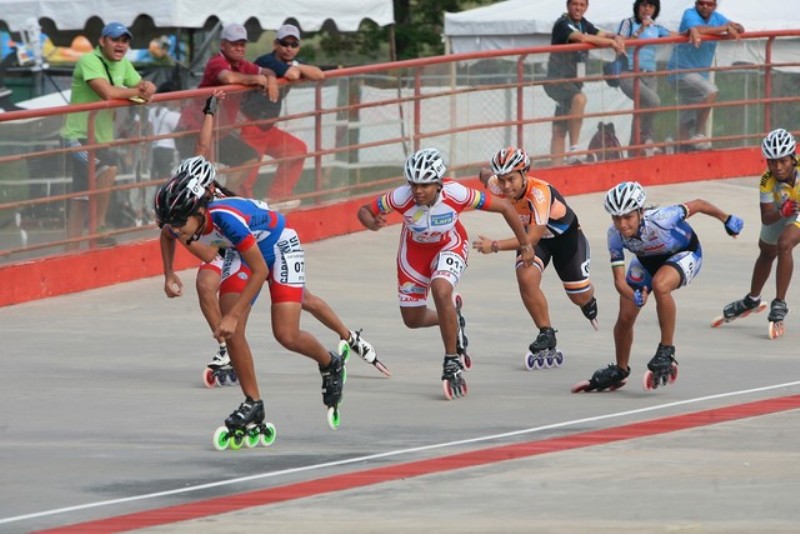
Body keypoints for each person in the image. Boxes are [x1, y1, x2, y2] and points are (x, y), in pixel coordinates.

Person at [156, 93, 349, 439]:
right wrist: (169, 273)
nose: (175, 230)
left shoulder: (224, 217)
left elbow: (259, 270)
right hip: (240, 251)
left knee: (285, 334)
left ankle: (330, 363)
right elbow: (168, 234)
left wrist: (230, 314)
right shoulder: (184, 215)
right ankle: (253, 403)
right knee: (235, 333)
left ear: (199, 210)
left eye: (179, 223)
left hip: (276, 245)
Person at [357, 148, 534, 399]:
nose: (417, 190)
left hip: (449, 245)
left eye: (425, 185)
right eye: (413, 184)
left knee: (441, 290)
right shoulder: (400, 197)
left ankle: (451, 361)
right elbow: (364, 209)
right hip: (414, 255)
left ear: (439, 184)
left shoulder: (457, 193)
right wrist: (370, 222)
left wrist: (525, 245)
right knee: (412, 319)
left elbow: (505, 207)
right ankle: (453, 318)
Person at [573, 181, 744, 392]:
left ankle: (666, 349)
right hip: (647, 261)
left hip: (684, 253)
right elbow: (619, 282)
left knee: (660, 285)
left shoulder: (663, 217)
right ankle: (620, 368)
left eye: (628, 217)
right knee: (625, 316)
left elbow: (698, 204)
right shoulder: (614, 235)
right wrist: (633, 295)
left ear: (640, 212)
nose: (623, 224)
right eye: (616, 218)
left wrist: (726, 219)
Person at [472, 147, 597, 367]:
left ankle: (589, 298)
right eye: (501, 180)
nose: (506, 186)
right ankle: (546, 332)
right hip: (535, 241)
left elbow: (530, 240)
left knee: (579, 297)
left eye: (511, 179)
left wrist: (494, 245)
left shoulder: (539, 193)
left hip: (564, 240)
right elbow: (485, 176)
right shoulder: (497, 183)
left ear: (525, 173)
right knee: (526, 277)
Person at [61, 22, 156, 250]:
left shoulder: (123, 64)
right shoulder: (89, 61)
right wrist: (139, 92)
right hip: (78, 137)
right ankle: (99, 227)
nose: (120, 44)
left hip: (99, 139)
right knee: (108, 170)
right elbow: (107, 92)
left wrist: (147, 87)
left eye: (125, 40)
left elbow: (142, 88)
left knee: (81, 197)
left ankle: (71, 252)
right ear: (102, 41)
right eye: (115, 39)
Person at [175, 23, 279, 194]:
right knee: (195, 177)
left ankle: (224, 198)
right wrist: (256, 79)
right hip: (192, 131)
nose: (239, 48)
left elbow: (267, 71)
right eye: (234, 44)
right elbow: (228, 78)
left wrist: (271, 79)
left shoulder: (243, 65)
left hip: (217, 133)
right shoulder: (217, 62)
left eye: (242, 44)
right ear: (223, 45)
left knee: (249, 157)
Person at [717, 128, 799, 337]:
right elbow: (766, 217)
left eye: (782, 161)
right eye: (772, 162)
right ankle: (752, 300)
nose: (778, 167)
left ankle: (779, 303)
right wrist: (782, 211)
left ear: (793, 157)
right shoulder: (766, 180)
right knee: (766, 252)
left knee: (784, 244)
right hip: (782, 210)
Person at [238, 24, 325, 209]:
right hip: (250, 125)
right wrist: (297, 67)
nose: (289, 48)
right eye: (285, 43)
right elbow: (293, 74)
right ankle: (243, 209)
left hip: (267, 128)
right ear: (275, 44)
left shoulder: (290, 62)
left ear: (298, 47)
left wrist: (297, 65)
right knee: (247, 172)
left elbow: (319, 74)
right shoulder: (267, 60)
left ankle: (277, 197)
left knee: (297, 150)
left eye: (294, 45)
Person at [545, 0, 626, 165]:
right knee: (579, 99)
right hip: (557, 80)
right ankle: (574, 150)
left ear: (586, 7)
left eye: (582, 5)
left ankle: (556, 167)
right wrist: (611, 43)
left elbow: (599, 33)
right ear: (568, 5)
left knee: (559, 128)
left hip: (572, 82)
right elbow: (582, 38)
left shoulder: (583, 23)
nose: (578, 8)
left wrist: (615, 36)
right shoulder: (563, 24)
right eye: (575, 4)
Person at [667, 0, 744, 151]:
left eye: (709, 4)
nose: (705, 7)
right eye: (701, 3)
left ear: (715, 6)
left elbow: (740, 28)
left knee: (687, 117)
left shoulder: (717, 17)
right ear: (696, 4)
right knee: (711, 92)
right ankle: (699, 134)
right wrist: (724, 28)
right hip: (681, 72)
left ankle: (674, 143)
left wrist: (734, 27)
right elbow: (698, 29)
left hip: (699, 75)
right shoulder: (689, 14)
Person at [614, 0, 680, 157]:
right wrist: (640, 30)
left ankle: (635, 147)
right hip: (629, 73)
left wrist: (693, 31)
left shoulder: (656, 27)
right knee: (653, 102)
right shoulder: (627, 23)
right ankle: (646, 139)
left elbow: (674, 35)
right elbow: (620, 43)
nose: (647, 9)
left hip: (650, 73)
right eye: (644, 5)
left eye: (651, 6)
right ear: (637, 7)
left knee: (643, 109)